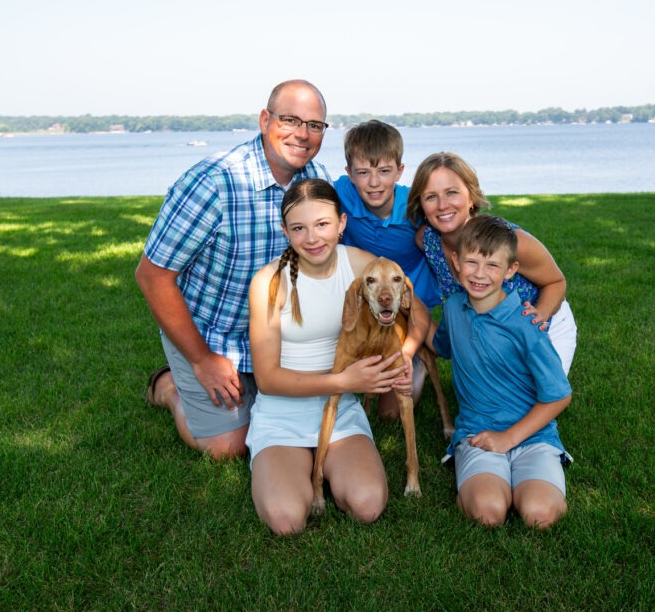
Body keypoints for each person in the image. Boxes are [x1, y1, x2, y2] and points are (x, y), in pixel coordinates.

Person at [136, 80, 331, 460]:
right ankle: (169, 387)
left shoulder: (316, 180)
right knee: (230, 447)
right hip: (211, 336)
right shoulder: (212, 183)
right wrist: (202, 360)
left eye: (314, 125)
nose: (302, 134)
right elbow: (152, 275)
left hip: (278, 338)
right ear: (264, 120)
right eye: (290, 119)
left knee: (302, 422)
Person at [246, 179, 425, 534]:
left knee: (369, 505)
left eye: (323, 225)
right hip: (282, 415)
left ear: (342, 223)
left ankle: (330, 467)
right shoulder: (269, 281)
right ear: (285, 231)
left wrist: (404, 356)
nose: (312, 238)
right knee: (286, 520)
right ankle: (293, 465)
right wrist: (344, 381)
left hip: (339, 409)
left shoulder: (360, 263)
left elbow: (417, 312)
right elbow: (266, 378)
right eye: (299, 228)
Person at [430, 215, 572, 528]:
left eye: (492, 265)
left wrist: (508, 438)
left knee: (539, 514)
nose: (480, 274)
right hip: (477, 432)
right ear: (455, 262)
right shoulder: (453, 308)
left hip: (531, 435)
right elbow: (441, 345)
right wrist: (411, 309)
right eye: (471, 262)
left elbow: (559, 396)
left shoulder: (526, 321)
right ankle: (487, 483)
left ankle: (524, 478)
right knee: (487, 513)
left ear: (511, 270)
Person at [406, 151, 577, 375]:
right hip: (490, 333)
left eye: (452, 193)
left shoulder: (511, 242)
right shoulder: (427, 241)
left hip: (544, 323)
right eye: (430, 197)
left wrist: (538, 318)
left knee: (531, 404)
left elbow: (556, 282)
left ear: (471, 197)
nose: (442, 205)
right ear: (421, 204)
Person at [332, 119, 438, 418]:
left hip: (410, 292)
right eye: (363, 173)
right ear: (350, 174)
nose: (374, 182)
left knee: (390, 412)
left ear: (400, 171)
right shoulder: (341, 194)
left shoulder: (415, 207)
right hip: (368, 291)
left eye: (384, 171)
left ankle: (417, 356)